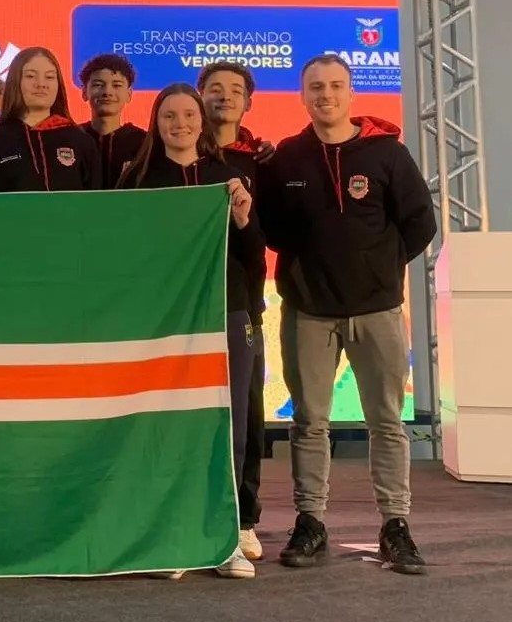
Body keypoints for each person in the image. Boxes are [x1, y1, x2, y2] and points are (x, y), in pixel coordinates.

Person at [257, 54, 436, 575]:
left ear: (351, 93)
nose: (326, 95)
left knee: (387, 422)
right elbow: (272, 230)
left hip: (377, 310)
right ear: (303, 95)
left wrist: (378, 268)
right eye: (316, 87)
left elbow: (420, 222)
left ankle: (395, 525)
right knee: (309, 422)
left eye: (336, 85)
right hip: (309, 311)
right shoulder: (288, 158)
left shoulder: (387, 153)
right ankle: (310, 521)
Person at [120, 83, 262, 580]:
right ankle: (170, 538)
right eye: (169, 116)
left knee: (229, 428)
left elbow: (254, 256)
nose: (179, 124)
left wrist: (243, 219)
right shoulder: (138, 180)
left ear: (202, 120)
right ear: (155, 123)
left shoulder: (229, 176)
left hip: (227, 313)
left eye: (187, 115)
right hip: (164, 322)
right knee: (166, 427)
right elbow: (125, 255)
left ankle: (224, 539)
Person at [198, 61, 270, 563]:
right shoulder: (182, 157)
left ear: (248, 101)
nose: (225, 96)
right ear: (199, 95)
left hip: (242, 305)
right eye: (215, 89)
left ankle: (244, 520)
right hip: (185, 309)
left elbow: (268, 234)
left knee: (247, 417)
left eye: (235, 90)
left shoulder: (262, 162)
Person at [0, 47, 101, 193]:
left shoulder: (82, 143)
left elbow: (96, 202)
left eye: (49, 77)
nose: (41, 84)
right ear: (15, 82)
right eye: (30, 76)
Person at [78, 53, 146, 189]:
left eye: (116, 85)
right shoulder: (73, 139)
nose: (107, 92)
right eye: (98, 85)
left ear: (129, 94)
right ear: (84, 93)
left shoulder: (143, 144)